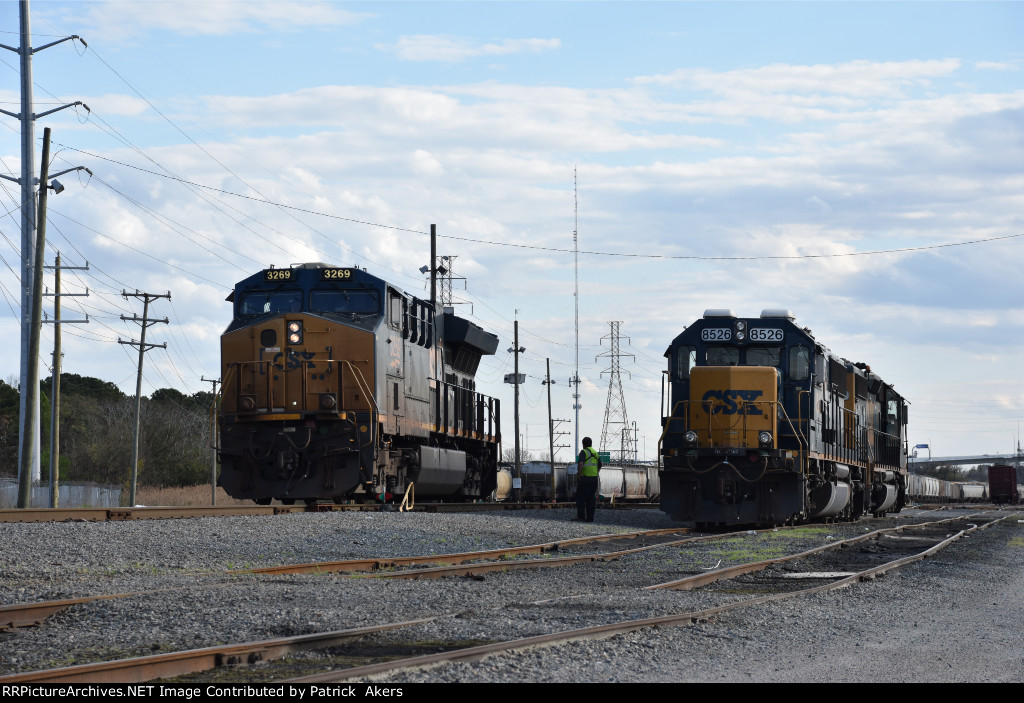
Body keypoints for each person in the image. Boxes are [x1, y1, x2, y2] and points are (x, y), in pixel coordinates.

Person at [574, 436, 601, 522]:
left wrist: (579, 473)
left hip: (585, 478)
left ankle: (581, 516)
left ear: (583, 444)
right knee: (591, 499)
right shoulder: (595, 453)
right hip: (594, 479)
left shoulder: (584, 452)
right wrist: (595, 473)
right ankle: (590, 518)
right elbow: (600, 465)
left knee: (580, 498)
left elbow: (581, 463)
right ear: (591, 444)